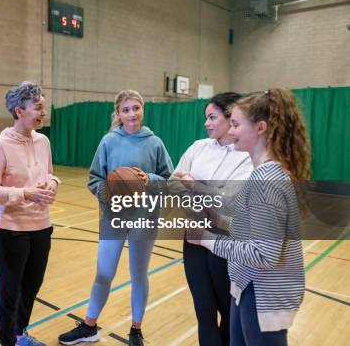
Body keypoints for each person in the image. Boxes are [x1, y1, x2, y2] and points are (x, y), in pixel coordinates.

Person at [188, 89, 311, 346]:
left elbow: (264, 253)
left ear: (260, 128)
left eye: (235, 124)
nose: (230, 131)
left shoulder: (266, 179)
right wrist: (219, 220)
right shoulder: (263, 174)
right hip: (249, 287)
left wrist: (207, 239)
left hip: (265, 294)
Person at [58, 90, 173, 346]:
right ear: (118, 113)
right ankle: (89, 326)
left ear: (142, 109)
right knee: (103, 273)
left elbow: (169, 181)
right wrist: (111, 190)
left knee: (139, 274)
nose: (131, 114)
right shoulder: (108, 141)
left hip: (145, 218)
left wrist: (149, 180)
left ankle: (136, 329)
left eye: (136, 108)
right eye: (126, 109)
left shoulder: (155, 143)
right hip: (114, 217)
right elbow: (94, 180)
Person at [168, 92, 253, 346]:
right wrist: (198, 200)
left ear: (231, 118)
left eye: (212, 117)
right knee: (203, 311)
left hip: (226, 242)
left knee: (229, 313)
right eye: (206, 117)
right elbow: (175, 181)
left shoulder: (246, 155)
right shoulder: (198, 147)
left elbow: (231, 199)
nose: (207, 123)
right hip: (194, 238)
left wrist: (196, 186)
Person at [0, 81, 60, 346]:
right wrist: (25, 193)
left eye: (43, 107)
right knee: (9, 293)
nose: (43, 113)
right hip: (10, 230)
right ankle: (6, 342)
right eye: (37, 108)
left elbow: (49, 173)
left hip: (41, 228)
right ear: (19, 111)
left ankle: (18, 335)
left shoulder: (43, 141)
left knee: (30, 289)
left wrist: (52, 184)